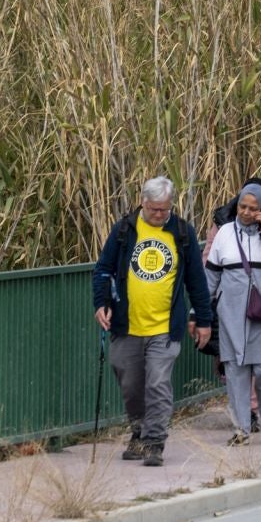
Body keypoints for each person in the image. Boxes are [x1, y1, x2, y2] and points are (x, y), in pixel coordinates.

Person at [92, 176, 213, 466]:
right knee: (130, 384)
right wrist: (101, 303)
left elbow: (197, 280)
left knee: (158, 383)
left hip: (165, 327)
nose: (159, 215)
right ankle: (138, 430)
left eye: (165, 210)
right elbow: (103, 269)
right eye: (154, 209)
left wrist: (204, 319)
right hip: (127, 324)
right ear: (143, 203)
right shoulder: (124, 230)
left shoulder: (182, 233)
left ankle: (154, 441)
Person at [205, 181, 261, 445]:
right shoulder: (225, 232)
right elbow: (211, 275)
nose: (246, 212)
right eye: (242, 206)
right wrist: (200, 312)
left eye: (253, 208)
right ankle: (241, 429)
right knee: (235, 372)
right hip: (231, 313)